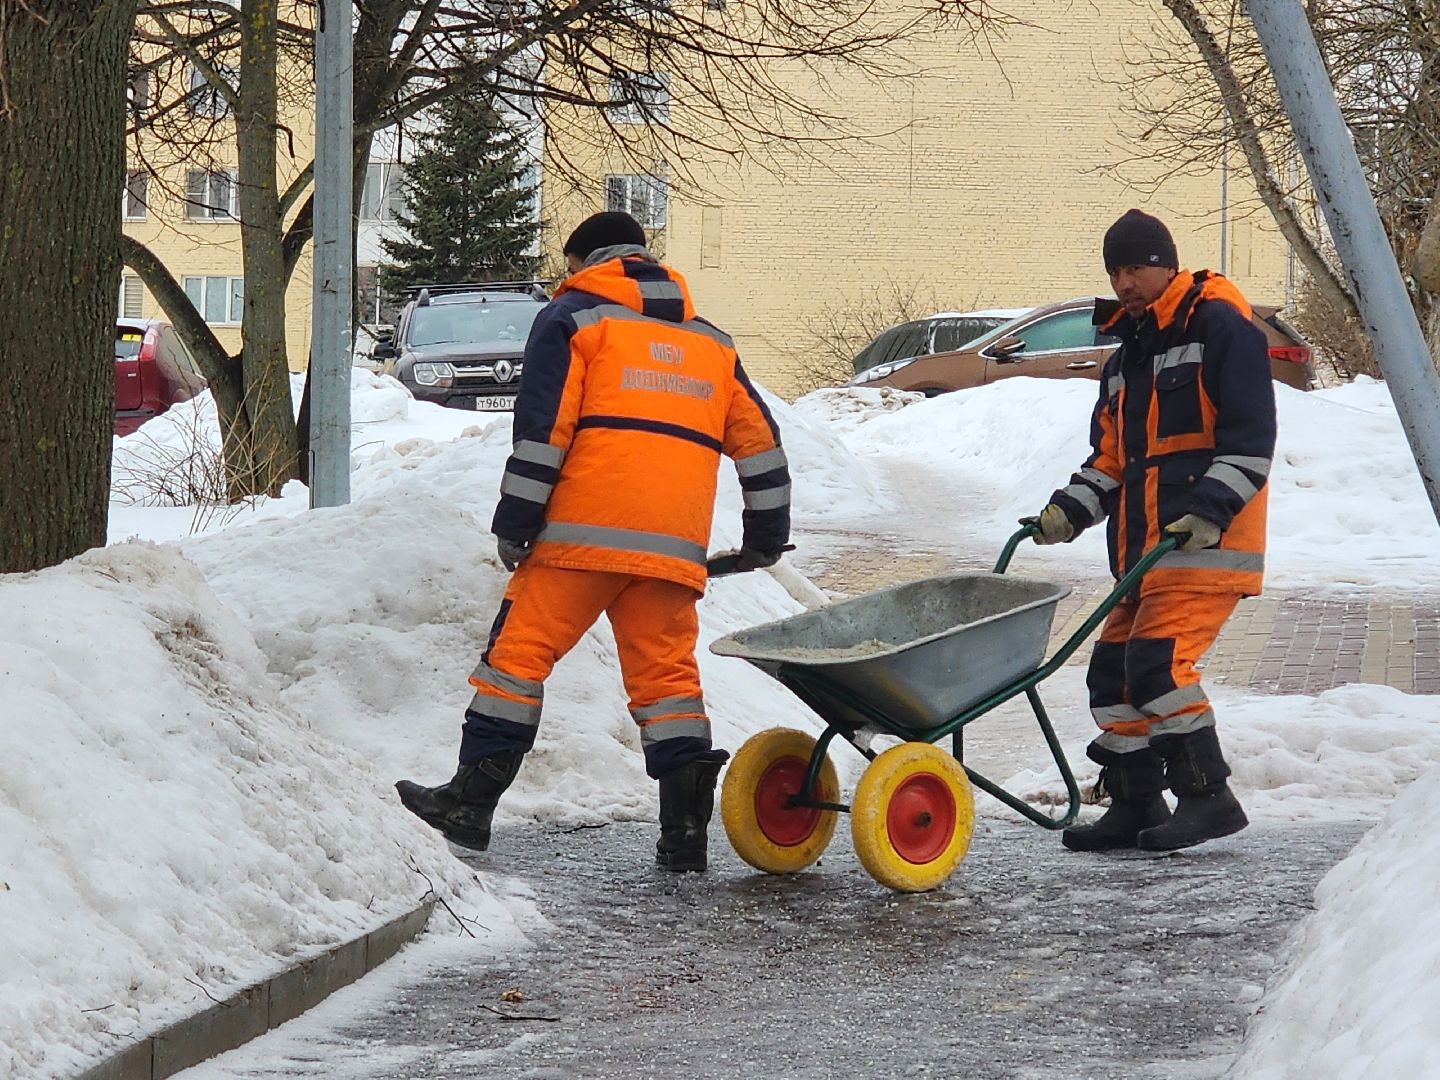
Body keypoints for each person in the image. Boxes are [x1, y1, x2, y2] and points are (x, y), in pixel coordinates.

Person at [396, 211, 792, 872]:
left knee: (516, 662)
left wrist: (516, 523)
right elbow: (762, 447)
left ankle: (469, 806)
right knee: (668, 685)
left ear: (584, 260)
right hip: (670, 550)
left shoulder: (576, 318)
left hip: (578, 542)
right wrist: (764, 539)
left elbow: (543, 431)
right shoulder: (712, 344)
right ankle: (684, 837)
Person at [1027, 208, 1276, 853]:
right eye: (1115, 271)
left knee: (1158, 667)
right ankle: (1136, 801)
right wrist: (1067, 512)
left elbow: (1250, 441)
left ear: (1166, 263)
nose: (1124, 282)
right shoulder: (1126, 357)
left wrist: (1210, 511)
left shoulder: (1221, 326)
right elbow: (1111, 462)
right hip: (1142, 555)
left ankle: (1207, 796)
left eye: (1135, 267)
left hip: (1205, 548)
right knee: (1112, 677)